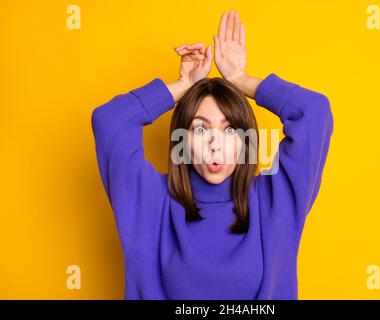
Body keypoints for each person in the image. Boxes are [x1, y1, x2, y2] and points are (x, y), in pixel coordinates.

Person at [91, 9, 334, 299]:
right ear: (182, 139)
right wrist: (182, 87)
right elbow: (110, 121)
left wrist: (240, 79)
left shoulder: (273, 200)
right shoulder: (151, 201)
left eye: (230, 130)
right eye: (201, 129)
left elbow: (314, 112)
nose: (215, 144)